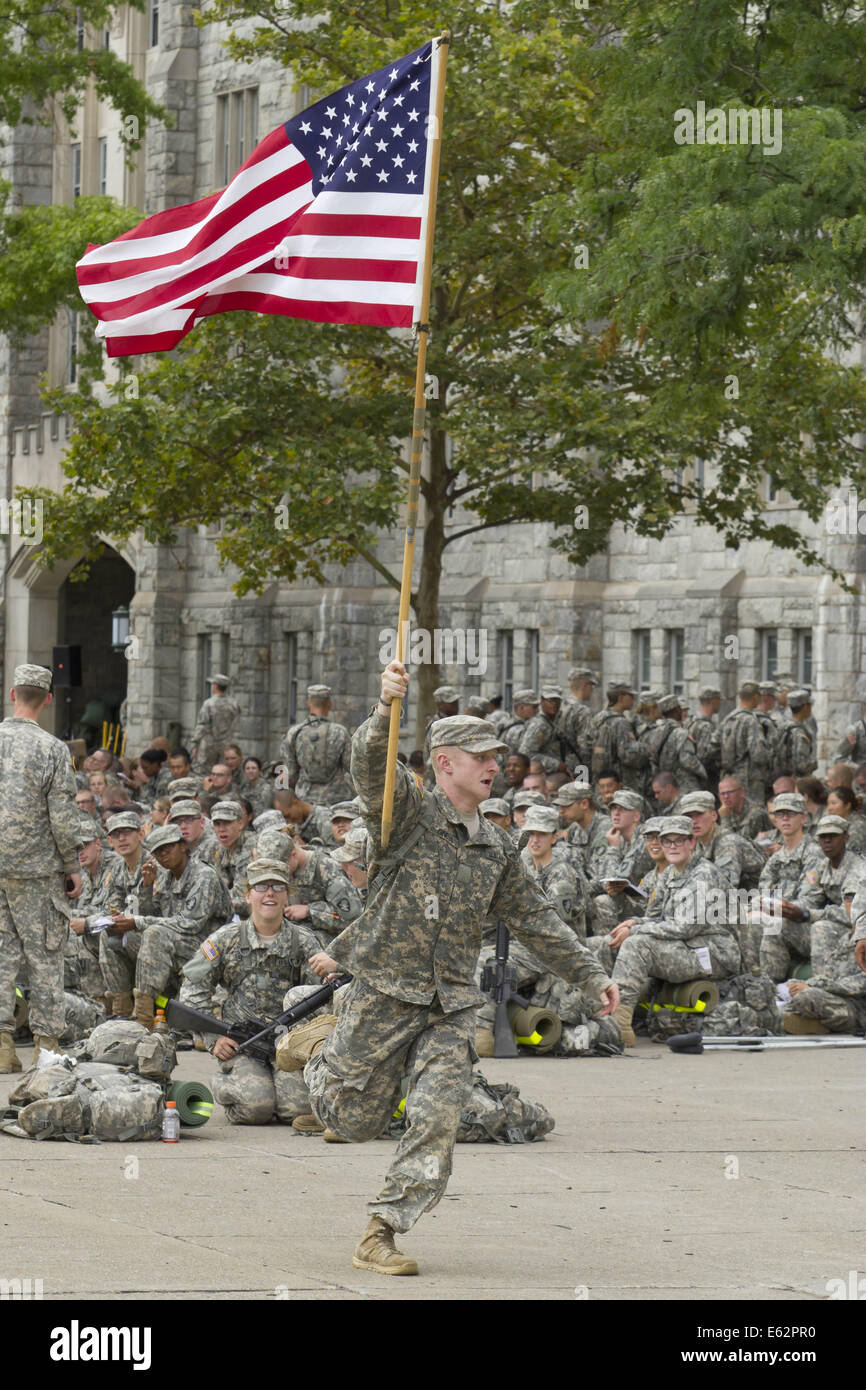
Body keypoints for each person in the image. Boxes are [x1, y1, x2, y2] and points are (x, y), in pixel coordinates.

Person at [275, 659, 618, 1277]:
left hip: (449, 1004)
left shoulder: (496, 845)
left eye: (497, 755)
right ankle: (317, 1045)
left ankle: (381, 1231)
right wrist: (384, 710)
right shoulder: (405, 814)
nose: (495, 765)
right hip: (383, 991)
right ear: (444, 763)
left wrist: (593, 976)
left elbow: (539, 919)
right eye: (480, 755)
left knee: (437, 1120)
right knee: (351, 1121)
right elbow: (370, 767)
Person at [178, 859, 323, 1126]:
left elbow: (319, 999)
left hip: (286, 1045)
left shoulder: (304, 941)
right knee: (256, 1109)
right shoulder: (226, 938)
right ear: (247, 895)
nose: (270, 893)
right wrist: (214, 1038)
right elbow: (192, 988)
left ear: (287, 896)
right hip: (242, 1045)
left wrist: (305, 1044)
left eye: (278, 887)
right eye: (261, 887)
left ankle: (274, 1088)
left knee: (297, 1110)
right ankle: (225, 1083)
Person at [0, 664, 83, 1072]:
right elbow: (62, 817)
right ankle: (45, 1047)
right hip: (37, 870)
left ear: (13, 693)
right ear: (47, 699)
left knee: (1, 955)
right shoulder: (53, 749)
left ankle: (1, 1046)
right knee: (47, 956)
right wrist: (73, 866)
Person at [610, 815, 742, 1046]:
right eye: (667, 841)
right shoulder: (670, 873)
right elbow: (653, 916)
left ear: (691, 842)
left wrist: (637, 929)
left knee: (635, 945)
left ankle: (619, 1026)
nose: (672, 846)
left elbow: (686, 926)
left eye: (679, 841)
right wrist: (633, 923)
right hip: (684, 946)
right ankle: (596, 1013)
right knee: (607, 943)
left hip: (713, 952)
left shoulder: (704, 874)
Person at [113, 823, 231, 1029]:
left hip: (211, 948)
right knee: (121, 938)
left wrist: (136, 921)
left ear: (183, 846)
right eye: (158, 851)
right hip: (182, 943)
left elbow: (190, 923)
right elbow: (156, 914)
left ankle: (143, 1016)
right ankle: (123, 1007)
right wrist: (147, 888)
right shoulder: (166, 877)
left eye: (168, 847)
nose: (163, 854)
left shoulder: (203, 875)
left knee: (154, 933)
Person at [283, 684, 354, 805]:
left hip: (305, 800)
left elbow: (290, 773)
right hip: (335, 800)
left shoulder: (294, 733)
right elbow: (351, 767)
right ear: (330, 704)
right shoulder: (340, 732)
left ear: (308, 703)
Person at [718, 681, 775, 805]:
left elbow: (716, 745)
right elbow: (759, 755)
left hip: (730, 778)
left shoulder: (729, 718)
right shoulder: (750, 720)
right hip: (750, 780)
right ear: (755, 697)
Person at [191, 673, 240, 773]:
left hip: (209, 745)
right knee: (225, 771)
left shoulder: (209, 704)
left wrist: (195, 743)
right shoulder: (234, 704)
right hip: (227, 744)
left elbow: (202, 725)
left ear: (215, 686)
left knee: (206, 772)